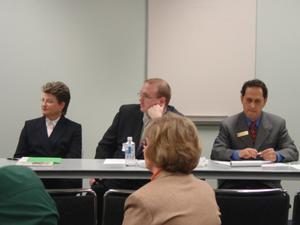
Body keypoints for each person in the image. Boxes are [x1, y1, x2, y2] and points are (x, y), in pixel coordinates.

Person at [91, 78, 181, 224]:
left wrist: (158, 121)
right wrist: (97, 171)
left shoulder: (177, 121)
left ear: (161, 101)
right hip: (118, 178)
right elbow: (105, 145)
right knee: (98, 191)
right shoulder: (127, 112)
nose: (140, 99)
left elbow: (173, 155)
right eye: (140, 94)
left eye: (145, 96)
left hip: (151, 182)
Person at [122, 113, 221, 225]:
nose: (143, 149)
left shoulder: (142, 200)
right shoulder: (206, 190)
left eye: (146, 144)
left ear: (156, 150)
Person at [211, 79, 298, 188]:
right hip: (234, 185)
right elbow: (216, 152)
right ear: (241, 99)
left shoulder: (278, 123)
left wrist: (277, 155)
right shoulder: (228, 124)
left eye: (257, 101)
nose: (252, 105)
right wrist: (237, 154)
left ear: (264, 101)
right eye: (249, 100)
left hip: (268, 185)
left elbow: (292, 151)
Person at [14, 81, 82, 189]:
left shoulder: (74, 128)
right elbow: (18, 157)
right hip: (32, 181)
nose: (43, 104)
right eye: (42, 100)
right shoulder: (29, 126)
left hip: (60, 182)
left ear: (61, 105)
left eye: (49, 101)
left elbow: (73, 161)